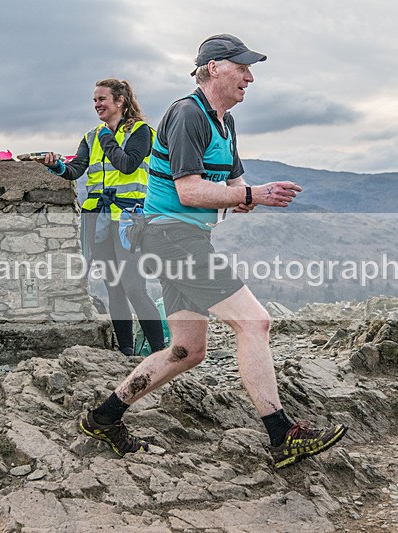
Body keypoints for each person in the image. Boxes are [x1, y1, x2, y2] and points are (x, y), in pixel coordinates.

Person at [78, 35, 348, 469]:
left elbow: (230, 188)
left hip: (184, 238)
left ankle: (104, 418)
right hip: (171, 237)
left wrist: (253, 195)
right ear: (215, 67)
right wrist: (251, 194)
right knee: (255, 322)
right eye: (242, 68)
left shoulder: (225, 123)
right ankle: (282, 435)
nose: (250, 77)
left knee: (187, 350)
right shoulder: (188, 114)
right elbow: (189, 191)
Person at [38, 78, 165, 356]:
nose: (96, 104)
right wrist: (56, 166)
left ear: (120, 101)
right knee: (114, 287)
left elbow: (128, 165)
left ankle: (160, 352)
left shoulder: (141, 132)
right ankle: (126, 351)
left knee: (134, 287)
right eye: (94, 100)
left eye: (102, 99)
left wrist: (106, 138)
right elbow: (76, 170)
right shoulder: (91, 136)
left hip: (129, 221)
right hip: (98, 219)